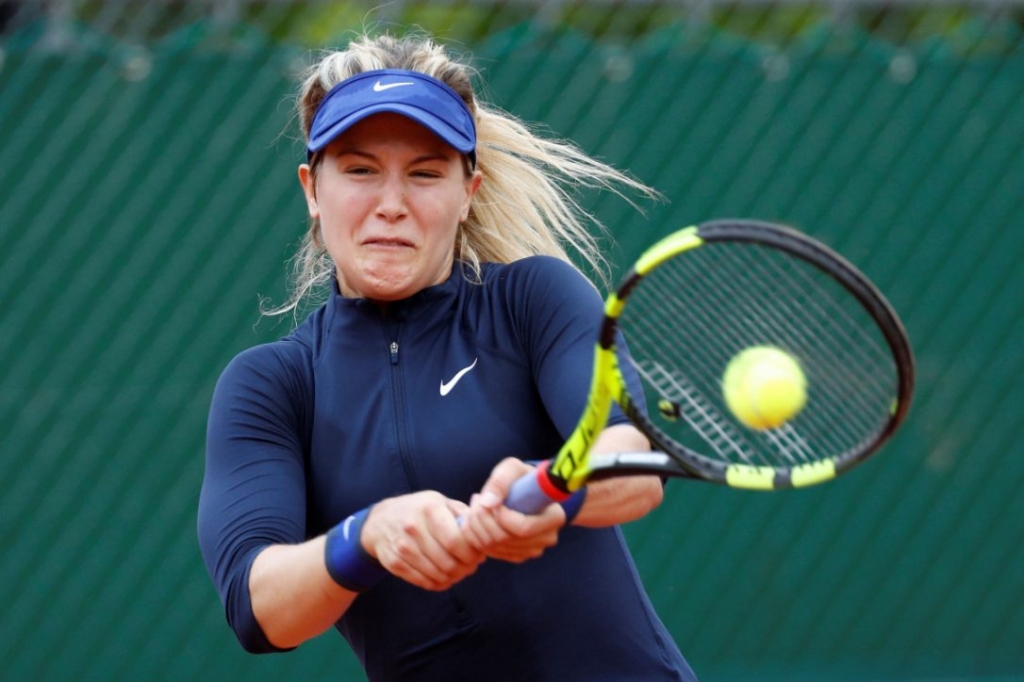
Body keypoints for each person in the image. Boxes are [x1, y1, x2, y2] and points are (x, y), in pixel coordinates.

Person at [197, 31, 698, 682]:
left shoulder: (535, 300)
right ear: (312, 190)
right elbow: (257, 603)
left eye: (426, 173)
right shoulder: (273, 386)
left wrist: (555, 494)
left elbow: (633, 456)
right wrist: (365, 538)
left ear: (467, 192)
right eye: (359, 169)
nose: (391, 205)